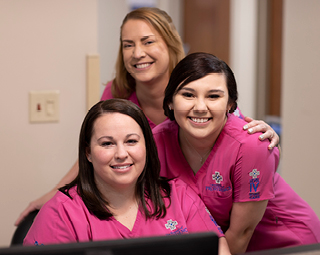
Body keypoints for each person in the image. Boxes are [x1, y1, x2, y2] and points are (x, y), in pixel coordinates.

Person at [15, 7, 279, 226]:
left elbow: (236, 130)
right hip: (192, 219)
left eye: (148, 41)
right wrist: (55, 194)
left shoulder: (195, 85)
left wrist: (266, 132)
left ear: (169, 44)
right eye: (128, 45)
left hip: (240, 216)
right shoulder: (118, 92)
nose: (137, 53)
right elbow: (97, 148)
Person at [153, 52, 320, 254]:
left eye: (213, 96)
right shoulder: (155, 143)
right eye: (188, 95)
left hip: (286, 243)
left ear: (231, 104)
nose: (200, 107)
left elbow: (242, 233)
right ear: (170, 101)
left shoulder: (251, 146)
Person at [23, 99, 231, 255]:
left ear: (147, 147)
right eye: (107, 143)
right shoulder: (61, 213)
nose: (122, 154)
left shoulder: (179, 197)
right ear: (88, 153)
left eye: (131, 141)